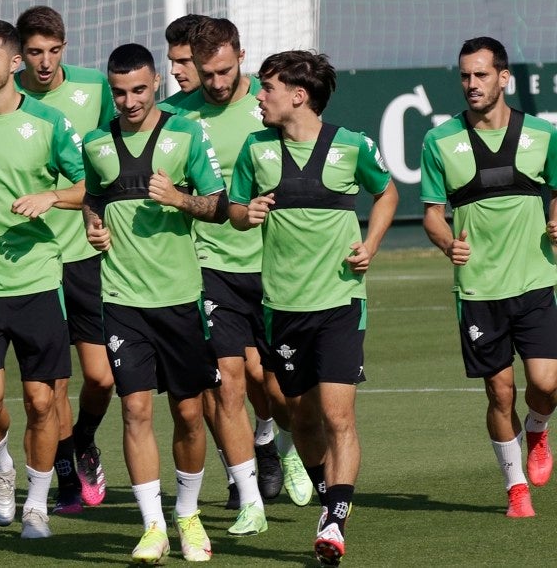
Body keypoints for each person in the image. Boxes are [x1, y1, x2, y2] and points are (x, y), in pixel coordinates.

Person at [228, 50, 397, 566]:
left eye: (268, 88)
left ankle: (335, 520)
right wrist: (247, 212)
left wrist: (371, 243)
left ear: (298, 96)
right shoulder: (255, 150)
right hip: (282, 305)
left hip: (341, 301)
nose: (259, 96)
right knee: (300, 419)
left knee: (337, 416)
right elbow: (235, 211)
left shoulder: (351, 145)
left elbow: (387, 192)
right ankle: (330, 500)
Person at [81, 44, 227, 564]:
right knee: (135, 409)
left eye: (139, 89)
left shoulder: (187, 134)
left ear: (157, 83)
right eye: (119, 92)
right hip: (122, 298)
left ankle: (187, 513)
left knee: (189, 413)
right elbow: (94, 198)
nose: (129, 101)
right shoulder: (96, 142)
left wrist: (179, 199)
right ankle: (153, 526)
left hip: (181, 297)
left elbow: (220, 206)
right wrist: (93, 225)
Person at [169, 15, 307, 516]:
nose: (216, 83)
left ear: (240, 56)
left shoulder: (269, 105)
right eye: (206, 74)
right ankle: (243, 487)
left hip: (273, 265)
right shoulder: (174, 118)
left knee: (274, 383)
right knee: (224, 379)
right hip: (207, 264)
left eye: (224, 71)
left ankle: (276, 444)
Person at [0, 20, 84, 540]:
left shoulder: (50, 123)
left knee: (42, 401)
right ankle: (1, 464)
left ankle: (36, 503)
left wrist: (51, 197)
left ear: (14, 64)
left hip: (36, 281)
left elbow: (86, 186)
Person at [420, 36, 557, 520]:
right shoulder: (439, 141)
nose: (471, 84)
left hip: (536, 279)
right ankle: (515, 486)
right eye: (464, 76)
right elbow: (433, 213)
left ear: (503, 78)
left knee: (547, 382)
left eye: (480, 75)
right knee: (500, 392)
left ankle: (538, 430)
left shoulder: (543, 133)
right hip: (478, 288)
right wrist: (444, 241)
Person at [14, 5, 114, 513]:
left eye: (54, 50)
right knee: (52, 386)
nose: (46, 61)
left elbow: (110, 165)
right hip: (35, 262)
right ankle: (68, 480)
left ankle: (85, 442)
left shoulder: (95, 89)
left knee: (102, 377)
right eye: (35, 52)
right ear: (18, 54)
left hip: (85, 255)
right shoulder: (5, 101)